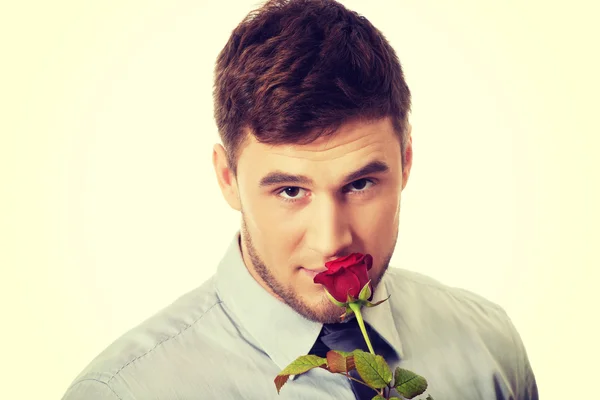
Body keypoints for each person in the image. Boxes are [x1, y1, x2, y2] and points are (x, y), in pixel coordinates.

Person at [62, 0, 538, 398]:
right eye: (291, 191)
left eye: (360, 184)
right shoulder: (123, 392)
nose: (332, 241)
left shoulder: (488, 346)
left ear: (406, 162)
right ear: (227, 178)